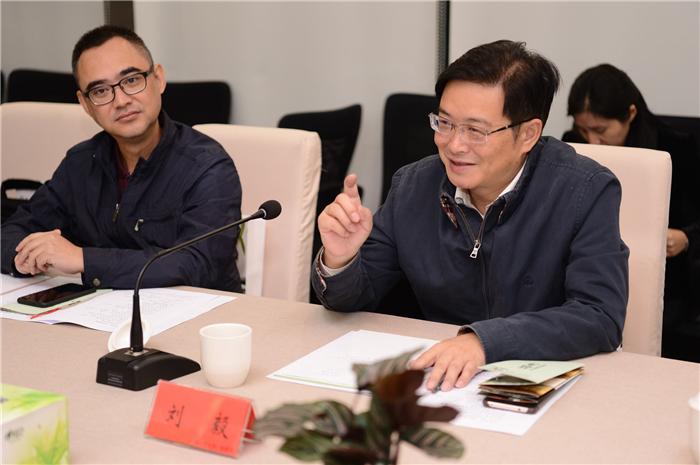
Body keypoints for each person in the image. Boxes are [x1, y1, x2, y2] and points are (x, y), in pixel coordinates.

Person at [312, 40, 629, 391]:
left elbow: (599, 315)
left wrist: (484, 342)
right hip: (443, 384)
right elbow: (353, 299)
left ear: (528, 134)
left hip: (543, 389)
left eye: (475, 131)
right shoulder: (413, 186)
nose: (454, 145)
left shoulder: (585, 190)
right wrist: (340, 259)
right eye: (445, 123)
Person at [1, 25, 243, 292]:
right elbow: (11, 232)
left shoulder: (208, 167)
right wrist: (23, 256)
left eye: (131, 80)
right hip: (102, 310)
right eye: (101, 91)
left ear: (158, 79)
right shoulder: (81, 163)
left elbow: (199, 265)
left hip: (199, 313)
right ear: (85, 104)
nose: (121, 101)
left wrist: (83, 259)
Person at [564, 64, 700, 333]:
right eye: (583, 129)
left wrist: (686, 238)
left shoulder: (675, 147)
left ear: (631, 114)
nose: (592, 141)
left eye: (601, 130)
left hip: (664, 280)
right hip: (586, 271)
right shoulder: (571, 143)